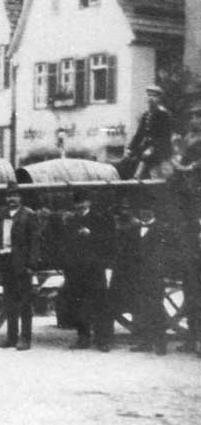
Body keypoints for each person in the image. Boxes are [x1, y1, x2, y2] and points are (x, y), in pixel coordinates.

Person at [60, 192, 115, 352]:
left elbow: (108, 240)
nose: (79, 206)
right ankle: (83, 338)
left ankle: (103, 340)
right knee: (79, 304)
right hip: (77, 269)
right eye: (77, 204)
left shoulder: (99, 219)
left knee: (100, 303)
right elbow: (66, 243)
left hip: (95, 268)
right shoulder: (71, 221)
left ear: (88, 203)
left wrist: (91, 234)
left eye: (82, 202)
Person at [0, 182, 40, 351]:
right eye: (8, 196)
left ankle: (25, 339)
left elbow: (34, 242)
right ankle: (11, 337)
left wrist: (31, 265)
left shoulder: (28, 215)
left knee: (25, 302)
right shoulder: (2, 214)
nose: (11, 199)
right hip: (6, 261)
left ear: (20, 198)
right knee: (9, 301)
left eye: (14, 196)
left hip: (21, 263)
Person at [171, 99, 201, 355]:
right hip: (192, 253)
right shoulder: (188, 138)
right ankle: (193, 339)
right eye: (192, 116)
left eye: (196, 116)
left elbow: (192, 165)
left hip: (192, 189)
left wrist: (186, 167)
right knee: (191, 293)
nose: (193, 119)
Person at [129, 203, 169, 355]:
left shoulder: (162, 229)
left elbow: (166, 253)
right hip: (139, 275)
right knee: (141, 308)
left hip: (155, 275)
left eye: (148, 210)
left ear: (153, 212)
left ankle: (160, 344)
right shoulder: (134, 229)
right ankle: (145, 342)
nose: (145, 213)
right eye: (142, 210)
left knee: (156, 308)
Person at [124, 85, 173, 179]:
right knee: (130, 163)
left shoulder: (163, 114)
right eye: (149, 95)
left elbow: (164, 136)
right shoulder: (146, 115)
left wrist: (152, 148)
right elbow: (139, 134)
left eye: (154, 96)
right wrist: (130, 149)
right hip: (147, 150)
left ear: (159, 98)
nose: (150, 98)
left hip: (160, 151)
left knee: (158, 175)